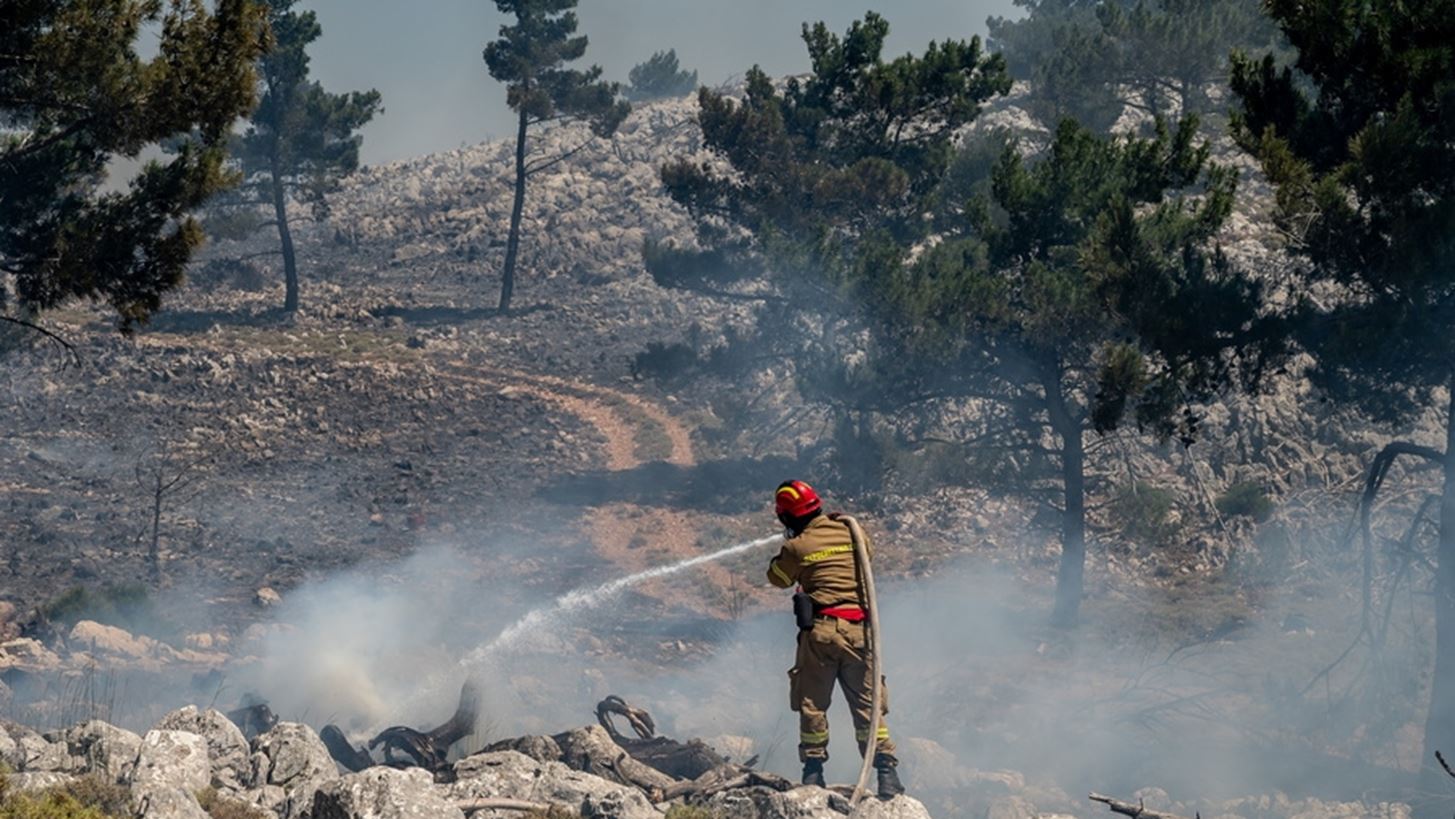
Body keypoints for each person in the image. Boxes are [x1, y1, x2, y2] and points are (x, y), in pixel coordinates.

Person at [766, 479, 904, 798]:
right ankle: (887, 773)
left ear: (787, 517)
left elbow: (778, 578)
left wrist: (787, 547)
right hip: (861, 633)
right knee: (868, 706)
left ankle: (813, 774)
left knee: (812, 702)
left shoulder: (795, 547)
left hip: (823, 633)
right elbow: (867, 554)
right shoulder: (851, 532)